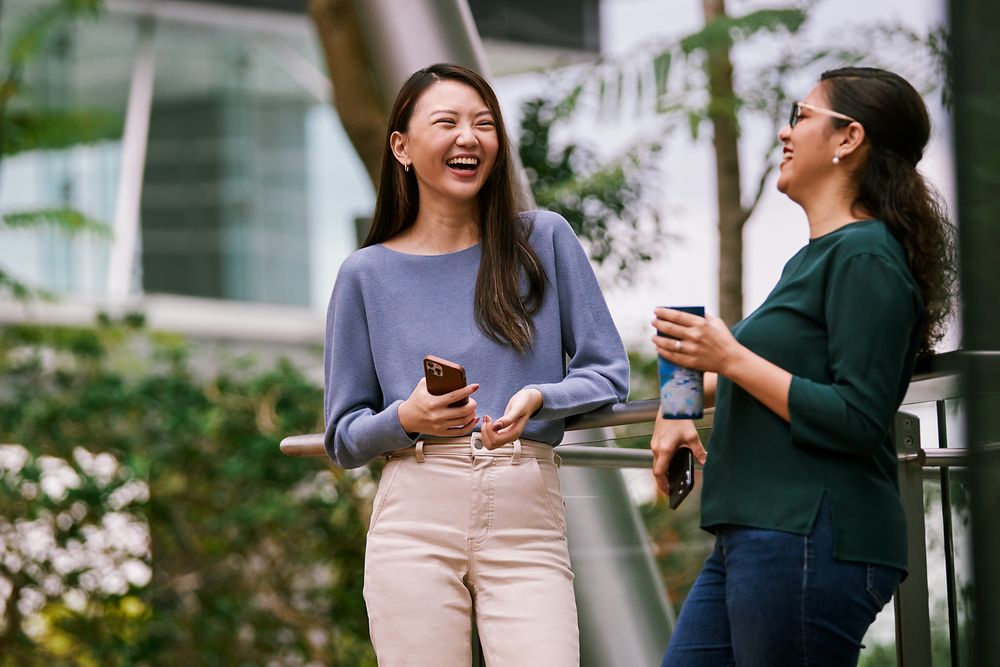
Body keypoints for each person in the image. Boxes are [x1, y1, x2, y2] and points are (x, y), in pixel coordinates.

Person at [323, 63, 629, 667]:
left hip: (525, 506)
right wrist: (406, 417)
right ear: (402, 147)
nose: (470, 137)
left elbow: (608, 372)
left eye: (484, 124)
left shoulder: (542, 239)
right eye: (448, 123)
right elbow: (342, 436)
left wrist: (541, 398)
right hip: (413, 509)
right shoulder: (366, 275)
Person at [650, 66, 956, 666]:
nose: (786, 133)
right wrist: (677, 402)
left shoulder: (866, 255)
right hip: (755, 533)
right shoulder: (815, 258)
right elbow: (753, 370)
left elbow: (857, 417)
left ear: (848, 138)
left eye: (802, 116)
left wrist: (730, 355)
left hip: (809, 534)